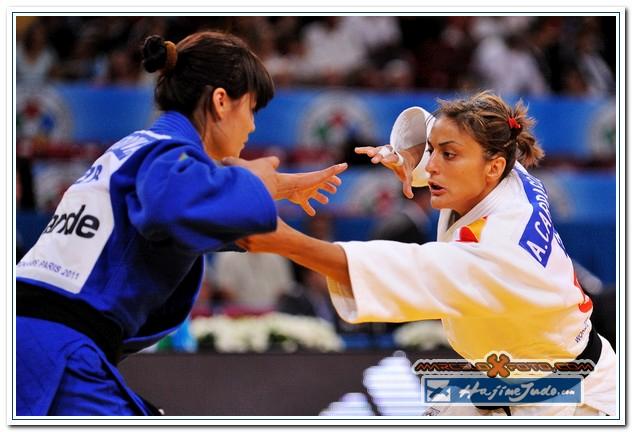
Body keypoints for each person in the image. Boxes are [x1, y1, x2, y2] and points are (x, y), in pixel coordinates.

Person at [15, 31, 346, 416]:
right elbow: (169, 211)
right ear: (221, 101)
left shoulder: (136, 148)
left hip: (36, 336)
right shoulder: (168, 153)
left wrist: (272, 190)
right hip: (55, 346)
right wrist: (254, 183)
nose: (253, 126)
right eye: (251, 109)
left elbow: (183, 214)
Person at [234, 91, 616, 416]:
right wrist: (408, 160)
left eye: (447, 156)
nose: (431, 166)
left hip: (565, 402)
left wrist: (280, 238)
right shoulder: (509, 176)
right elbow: (445, 143)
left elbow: (403, 269)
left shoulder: (502, 249)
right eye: (432, 152)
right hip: (505, 379)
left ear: (493, 166)